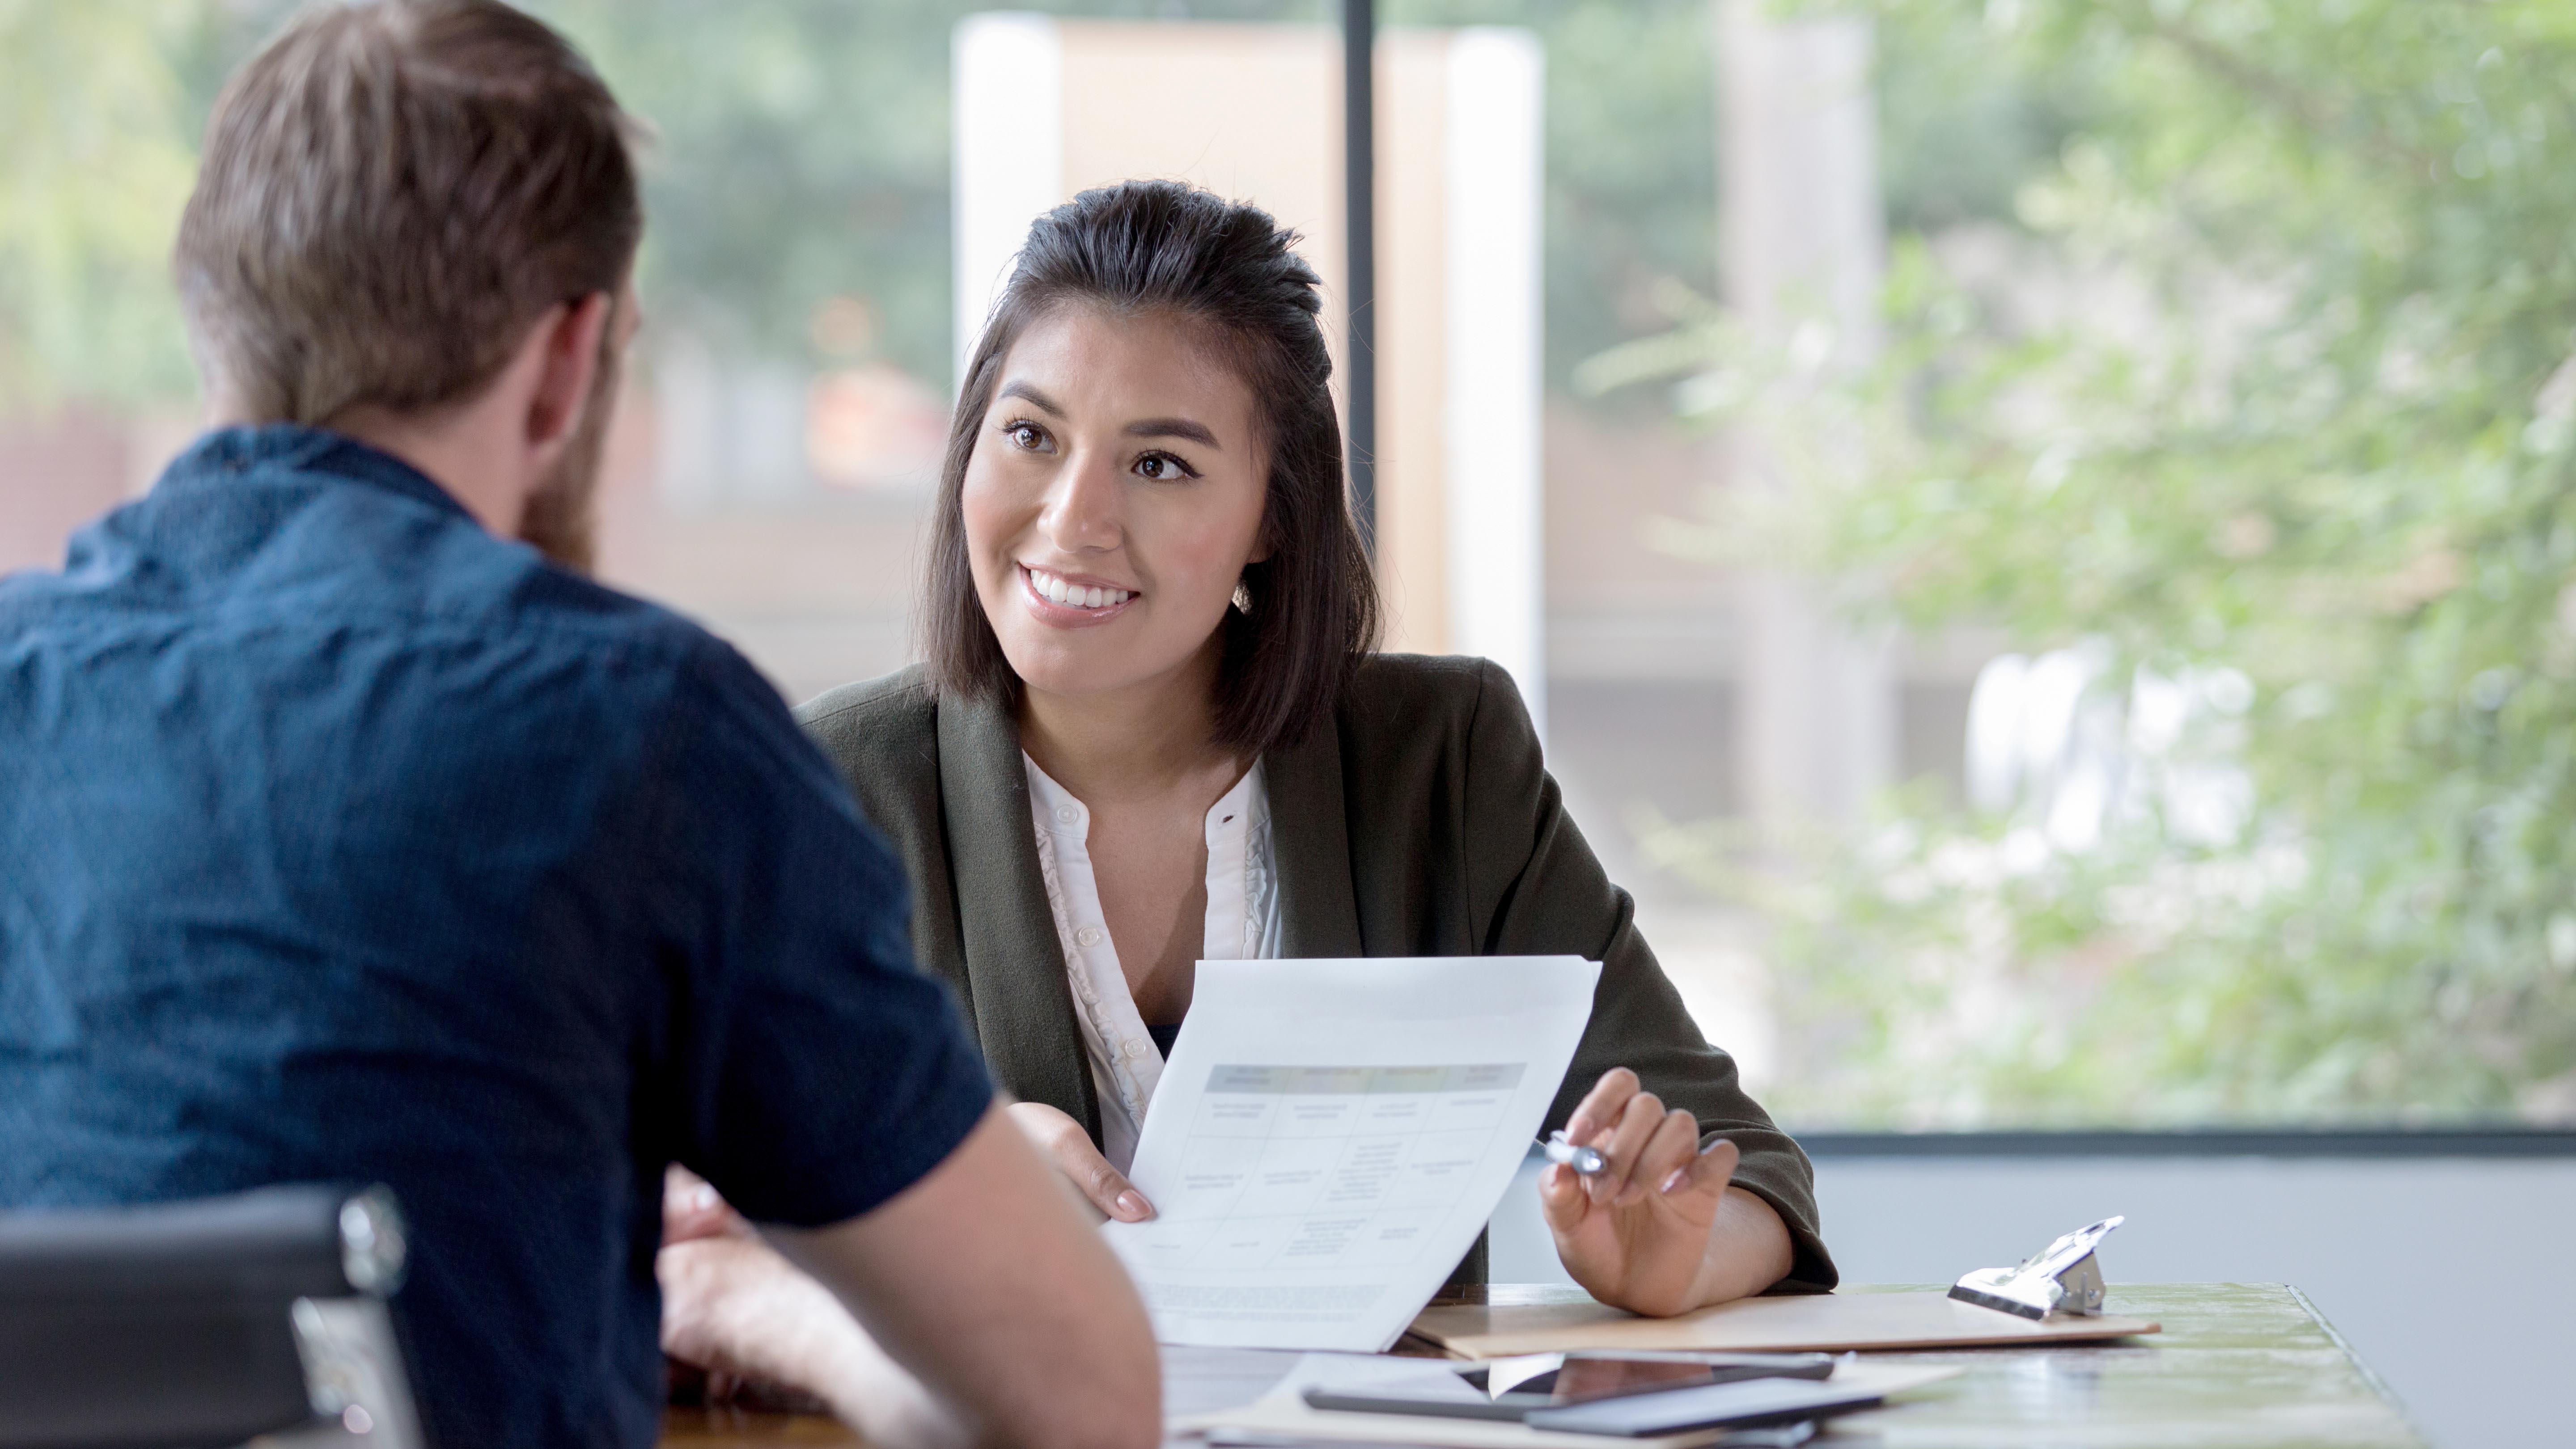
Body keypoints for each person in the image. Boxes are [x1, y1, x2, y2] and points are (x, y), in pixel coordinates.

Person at [0, 6, 1156, 1449]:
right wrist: (746, 1304)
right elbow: (1085, 1399)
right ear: (568, 358)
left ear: (211, 310)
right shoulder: (638, 735)